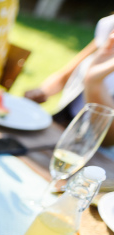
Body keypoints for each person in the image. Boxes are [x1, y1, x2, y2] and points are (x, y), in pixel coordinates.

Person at [24, 15, 114, 144]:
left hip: (96, 150)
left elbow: (109, 140)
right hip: (62, 127)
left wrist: (93, 81)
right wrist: (43, 91)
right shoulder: (110, 26)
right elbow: (67, 74)